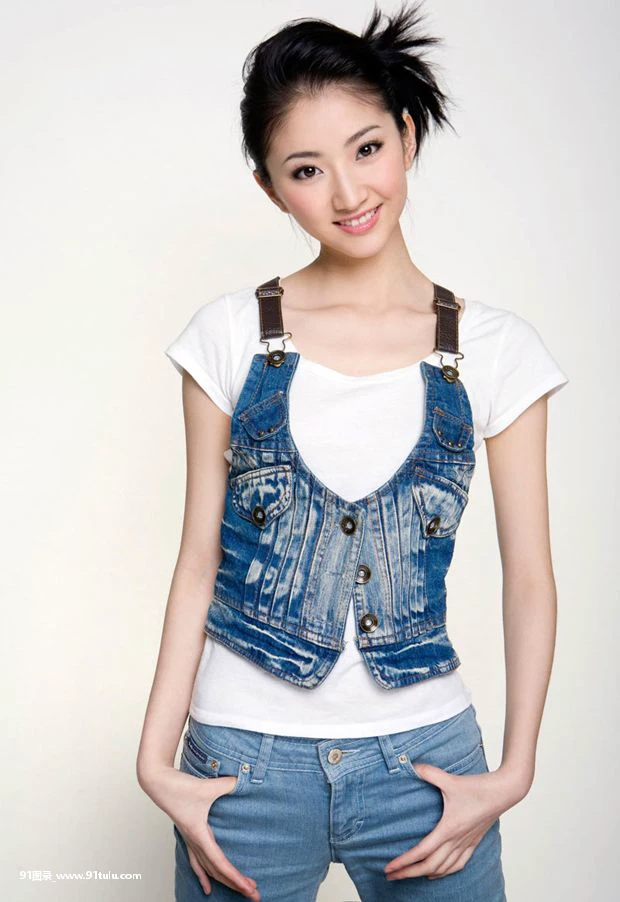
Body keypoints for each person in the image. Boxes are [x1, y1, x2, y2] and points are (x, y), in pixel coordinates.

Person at [136, 3, 569, 900]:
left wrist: (515, 770)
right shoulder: (228, 336)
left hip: (427, 769)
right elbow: (197, 561)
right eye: (306, 169)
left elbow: (529, 575)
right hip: (241, 768)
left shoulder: (496, 349)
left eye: (367, 148)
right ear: (271, 189)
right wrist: (155, 763)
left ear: (407, 135)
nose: (347, 194)